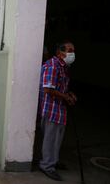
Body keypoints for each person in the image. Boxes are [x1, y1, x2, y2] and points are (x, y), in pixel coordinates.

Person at [38, 41, 77, 181]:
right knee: (50, 138)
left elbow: (60, 86)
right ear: (60, 53)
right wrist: (65, 96)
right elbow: (48, 88)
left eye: (73, 51)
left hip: (59, 109)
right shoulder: (52, 65)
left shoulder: (64, 67)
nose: (72, 53)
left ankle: (53, 161)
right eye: (69, 50)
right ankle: (47, 165)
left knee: (57, 138)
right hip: (51, 108)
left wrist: (69, 94)